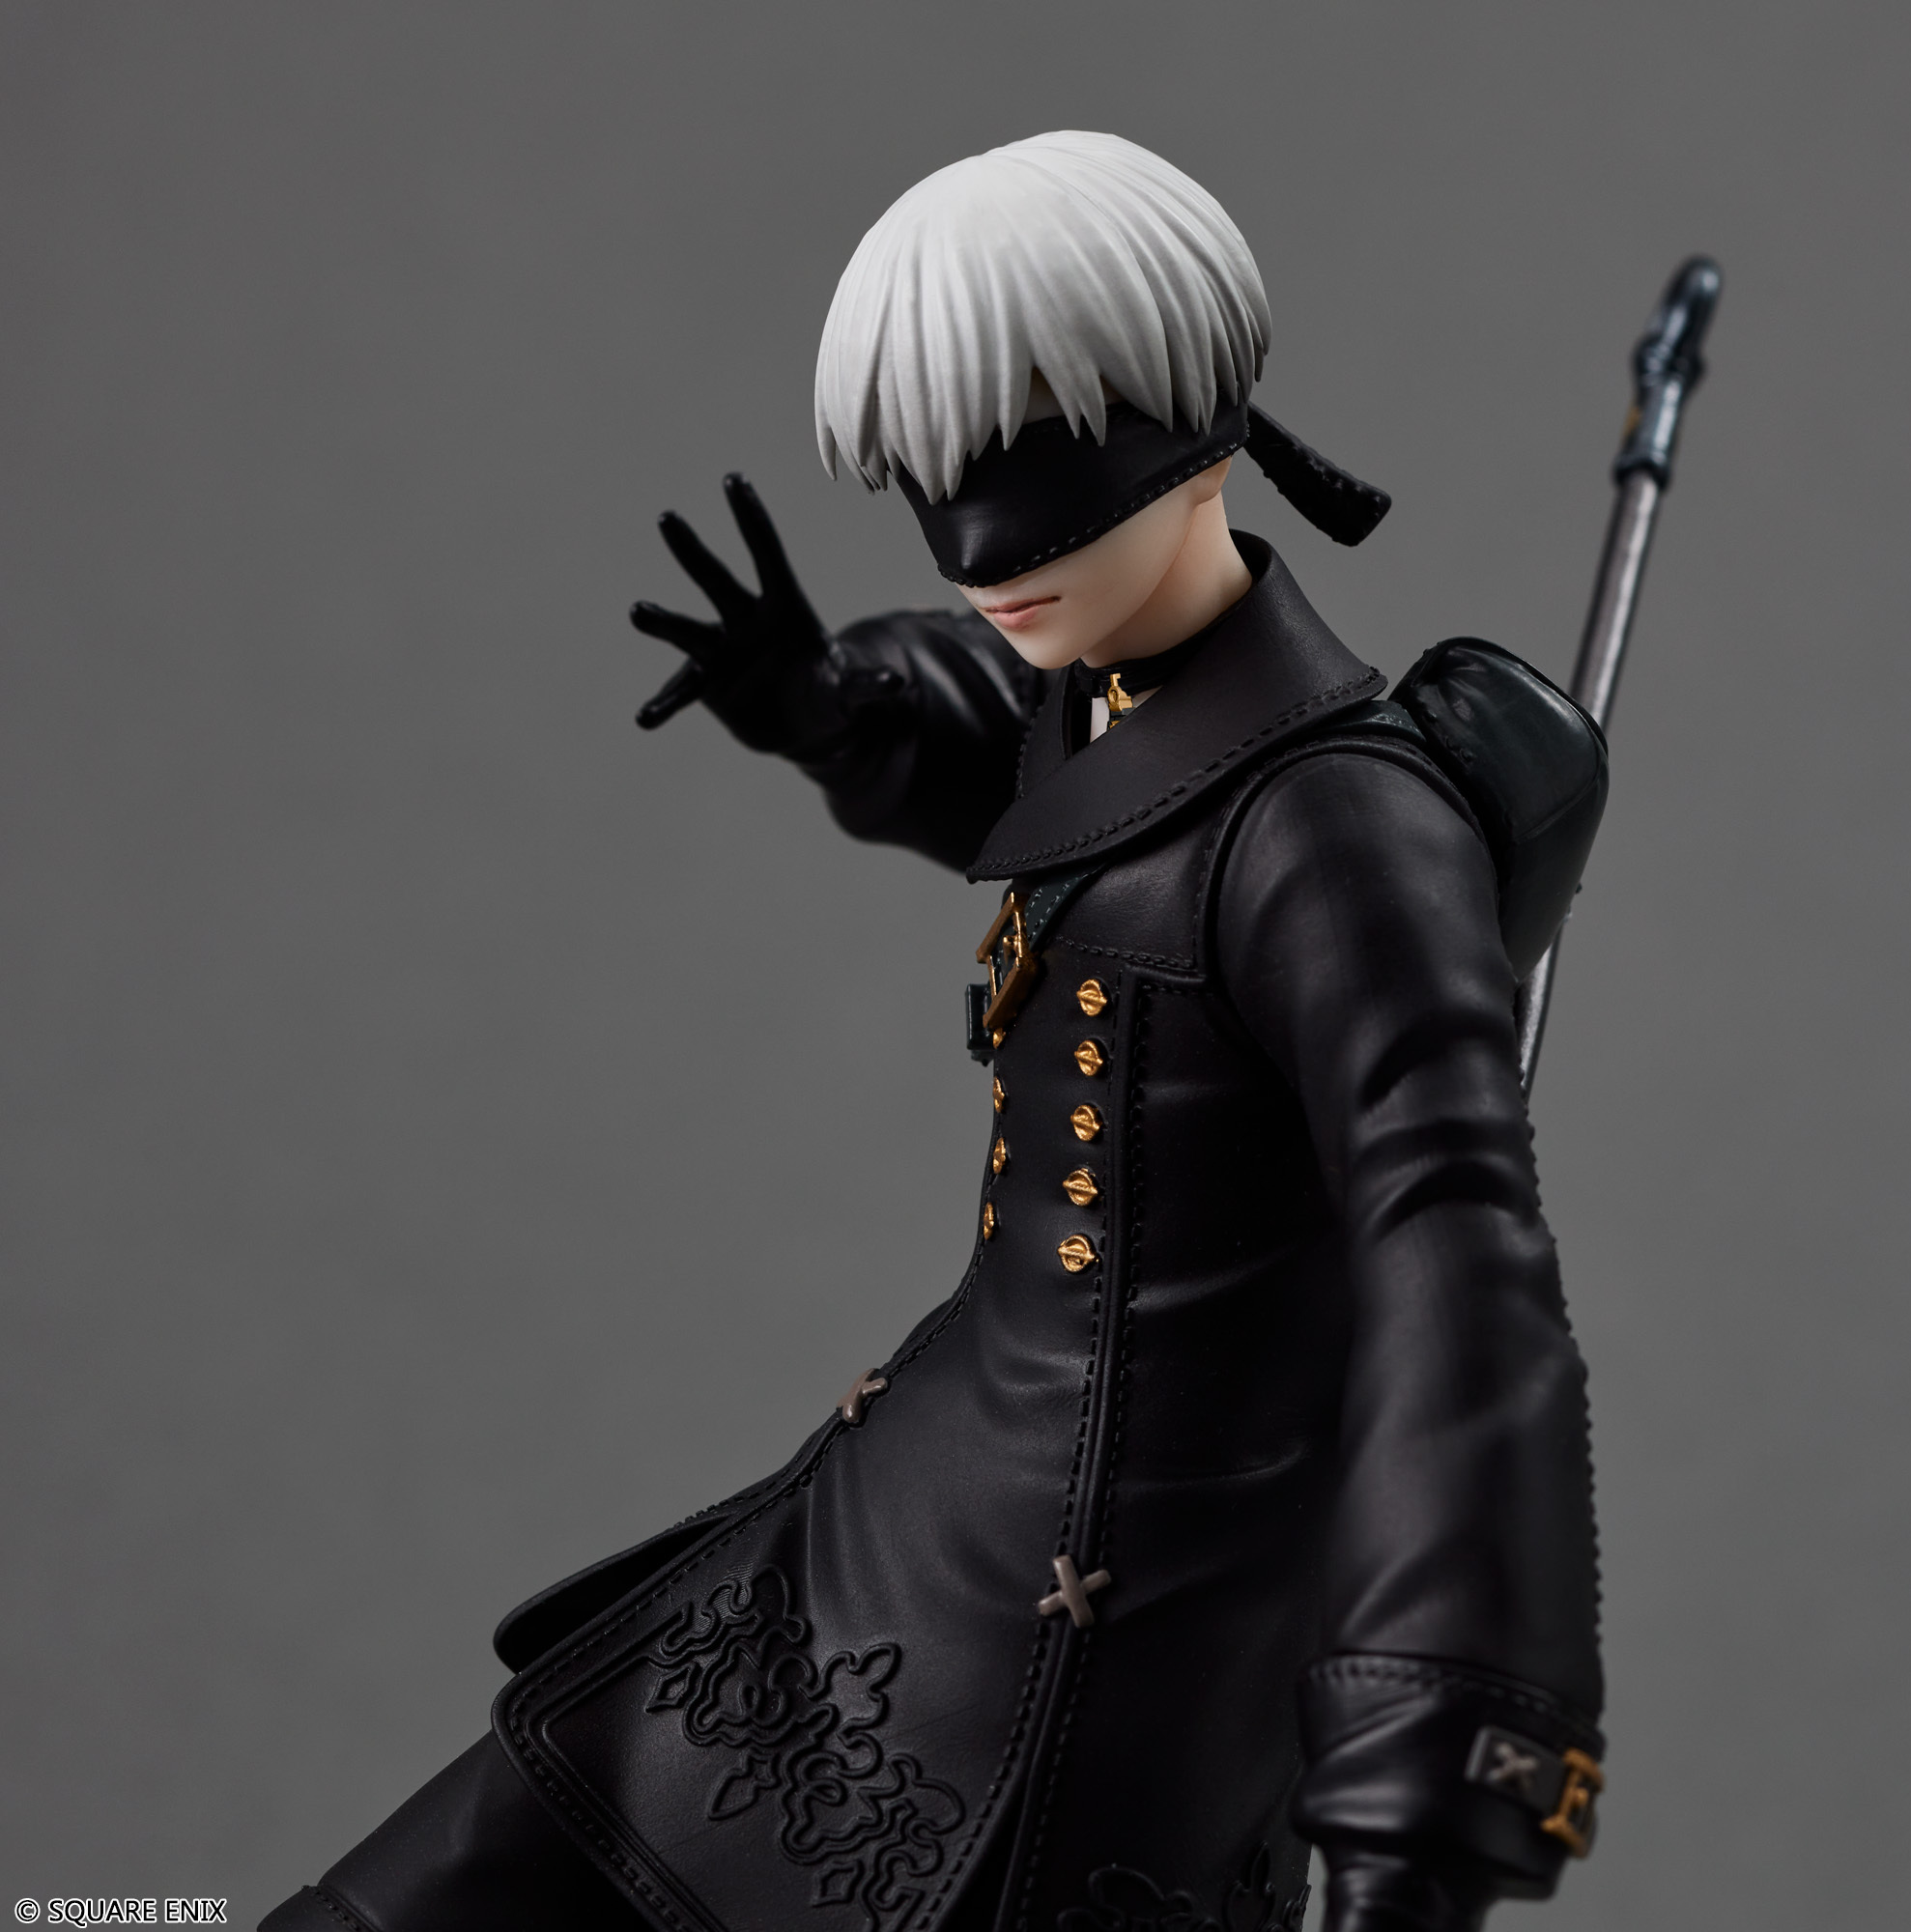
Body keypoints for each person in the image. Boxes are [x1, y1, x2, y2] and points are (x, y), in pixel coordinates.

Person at [266, 130, 1604, 1932]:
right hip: (872, 1553)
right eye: (941, 471)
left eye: (1041, 461)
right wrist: (837, 704)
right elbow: (1038, 768)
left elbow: (1458, 1262)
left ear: (1200, 419)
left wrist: (1433, 1754)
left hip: (1090, 1669)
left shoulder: (1340, 837)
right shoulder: (1107, 686)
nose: (984, 552)